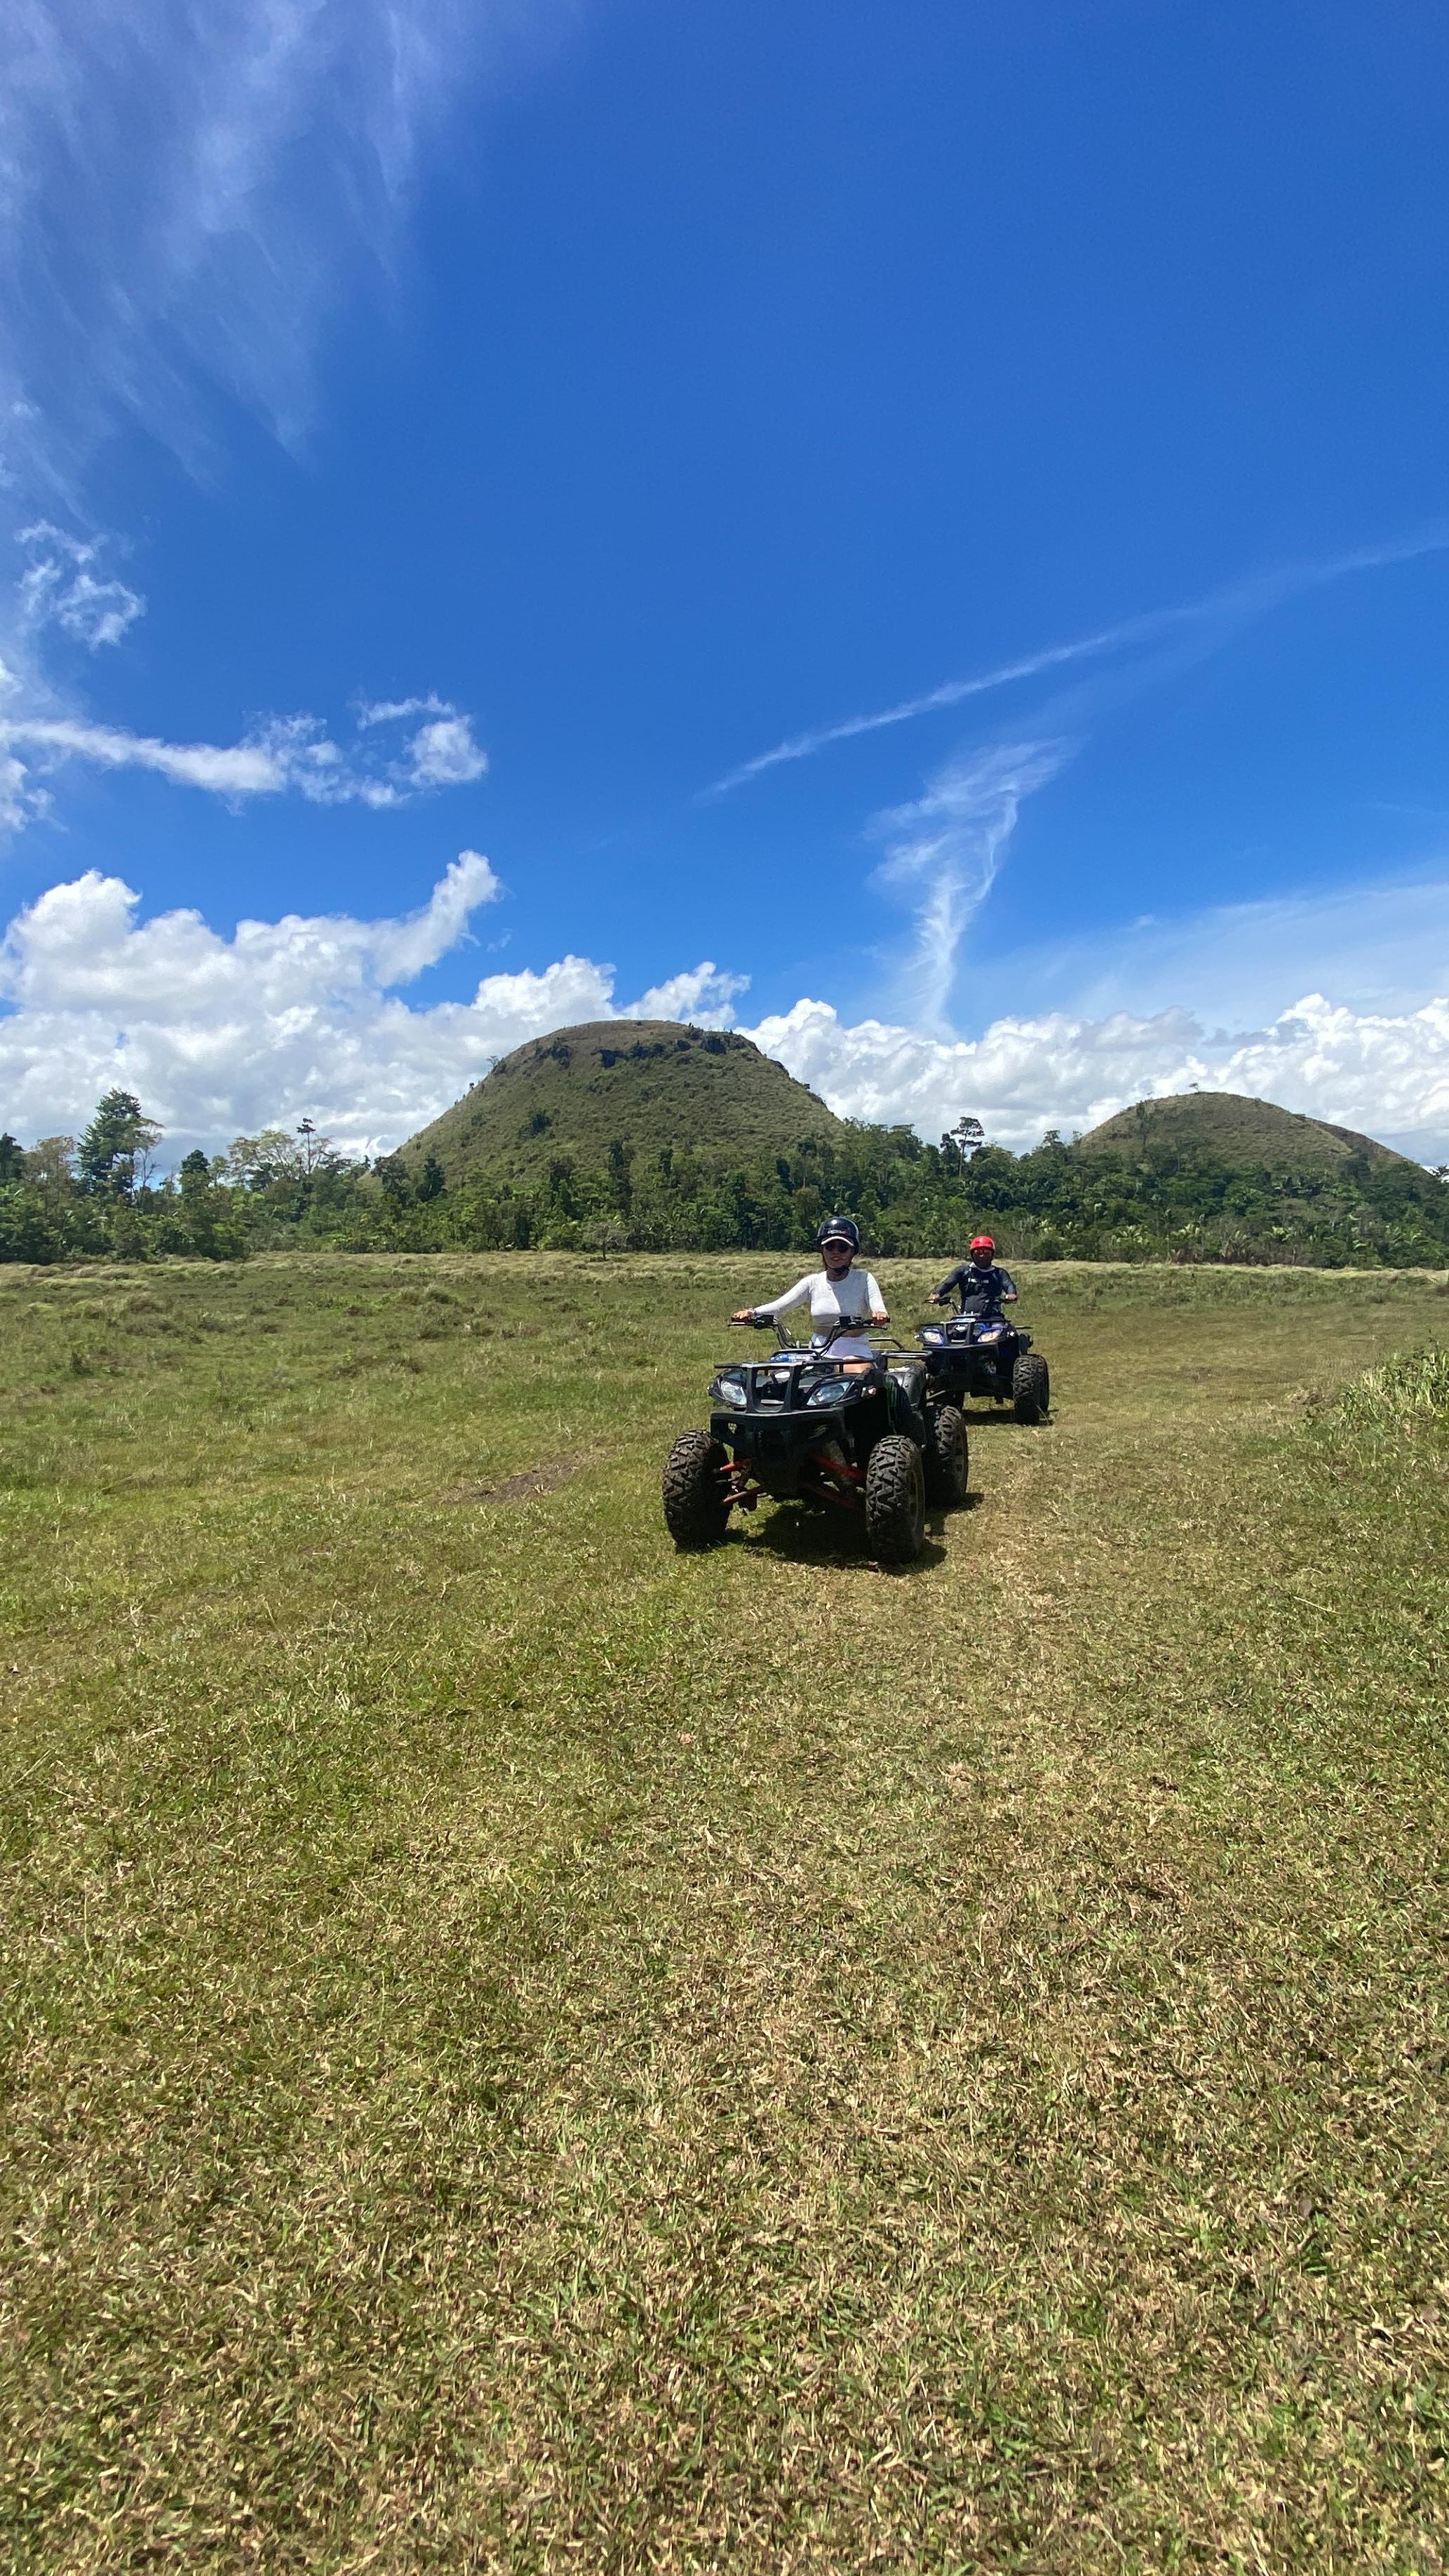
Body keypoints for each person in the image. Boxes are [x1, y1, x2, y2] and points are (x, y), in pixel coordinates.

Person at [733, 1216, 888, 1361]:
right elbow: (781, 1306)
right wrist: (752, 1313)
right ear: (822, 1251)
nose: (836, 1252)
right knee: (783, 1378)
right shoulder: (813, 1282)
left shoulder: (864, 1279)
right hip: (818, 1352)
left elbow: (878, 1308)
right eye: (829, 1247)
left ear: (852, 1252)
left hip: (855, 1351)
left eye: (842, 1248)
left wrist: (879, 1315)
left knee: (857, 1380)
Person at [929, 1234, 1018, 1320]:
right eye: (978, 1252)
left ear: (992, 1255)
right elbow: (947, 1283)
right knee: (948, 1333)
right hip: (966, 1318)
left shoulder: (999, 1273)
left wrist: (1011, 1294)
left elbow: (1008, 1285)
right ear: (972, 1254)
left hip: (993, 1319)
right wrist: (937, 1294)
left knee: (1007, 1334)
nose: (982, 1255)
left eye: (986, 1252)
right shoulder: (963, 1271)